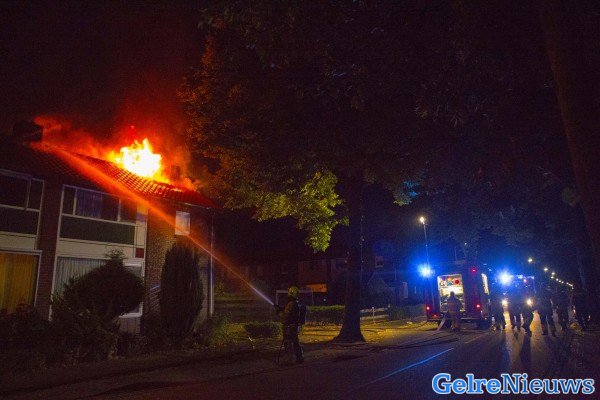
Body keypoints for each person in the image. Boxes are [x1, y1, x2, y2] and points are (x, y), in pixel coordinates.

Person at [275, 286, 304, 364]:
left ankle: (288, 360)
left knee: (288, 344)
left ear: (291, 293)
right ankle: (300, 358)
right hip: (294, 327)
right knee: (296, 343)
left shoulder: (290, 304)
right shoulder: (295, 303)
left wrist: (279, 312)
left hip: (289, 328)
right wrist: (281, 309)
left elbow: (285, 317)